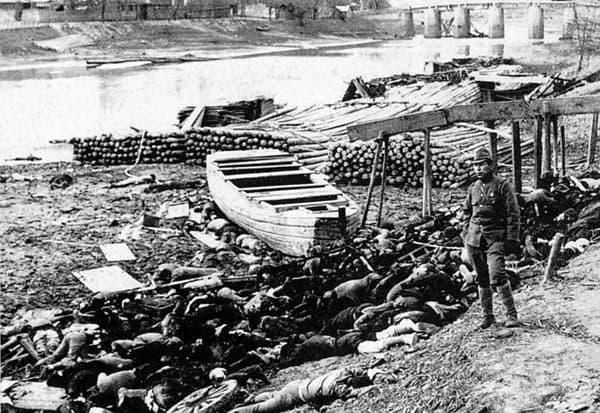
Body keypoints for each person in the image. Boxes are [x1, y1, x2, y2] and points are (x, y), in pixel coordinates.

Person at [461, 148, 521, 329]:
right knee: (481, 278)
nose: (478, 169)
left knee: (497, 274)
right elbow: (466, 212)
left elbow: (513, 213)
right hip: (474, 240)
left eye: (482, 165)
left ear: (490, 165)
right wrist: (466, 234)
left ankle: (512, 315)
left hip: (495, 237)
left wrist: (512, 239)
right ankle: (488, 317)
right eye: (475, 166)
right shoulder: (473, 188)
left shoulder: (503, 185)